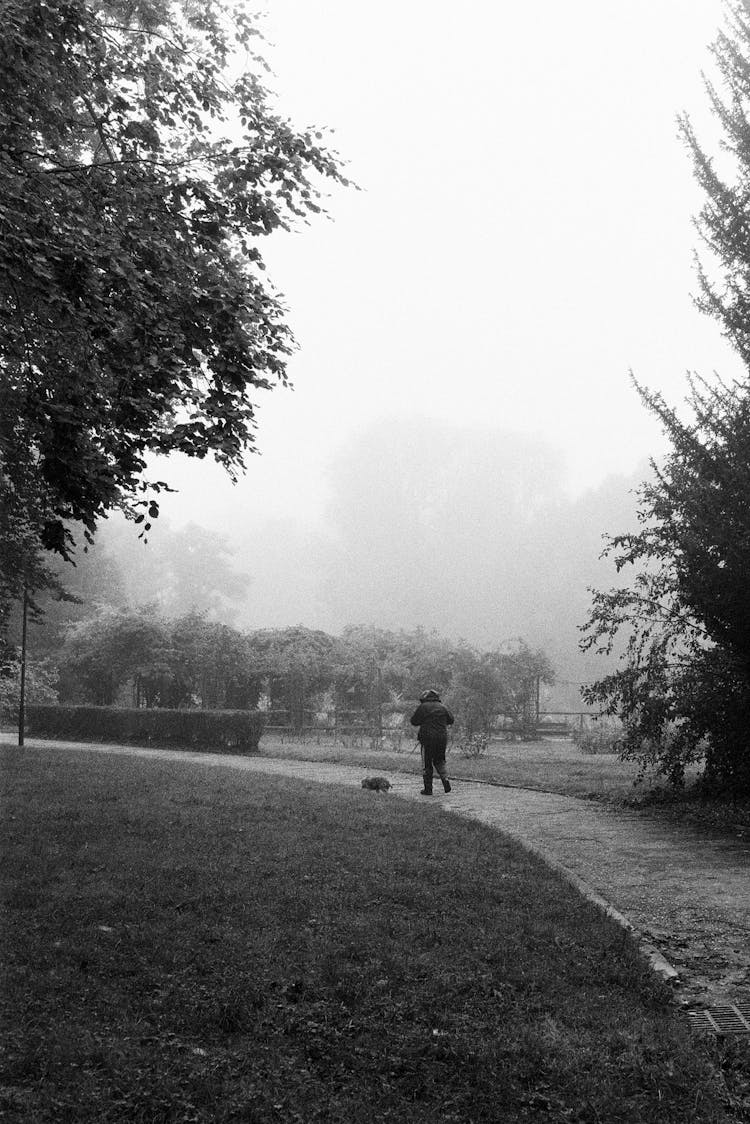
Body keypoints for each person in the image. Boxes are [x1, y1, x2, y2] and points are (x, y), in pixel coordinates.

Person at [410, 689, 454, 796]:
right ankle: (445, 779)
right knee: (439, 761)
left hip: (427, 739)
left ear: (425, 697)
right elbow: (451, 720)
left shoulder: (423, 707)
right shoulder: (443, 707)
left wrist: (425, 721)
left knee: (427, 763)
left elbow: (414, 721)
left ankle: (428, 789)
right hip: (442, 738)